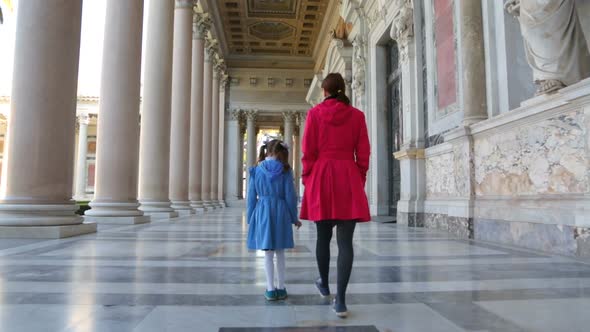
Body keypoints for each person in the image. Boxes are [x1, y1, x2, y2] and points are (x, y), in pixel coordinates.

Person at [300, 72, 371, 318]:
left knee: (322, 237)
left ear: (325, 91)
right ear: (342, 90)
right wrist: (358, 177)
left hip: (321, 176)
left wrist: (308, 178)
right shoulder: (357, 116)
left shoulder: (315, 114)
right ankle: (340, 301)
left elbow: (307, 150)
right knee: (345, 242)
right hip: (347, 176)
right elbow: (363, 152)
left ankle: (324, 284)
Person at [247, 139, 302, 301]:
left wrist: (251, 218)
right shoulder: (285, 170)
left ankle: (270, 289)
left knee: (268, 253)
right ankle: (281, 287)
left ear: (267, 151)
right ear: (280, 153)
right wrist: (294, 218)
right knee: (280, 252)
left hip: (262, 211)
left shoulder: (256, 170)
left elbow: (251, 197)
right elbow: (290, 197)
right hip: (281, 212)